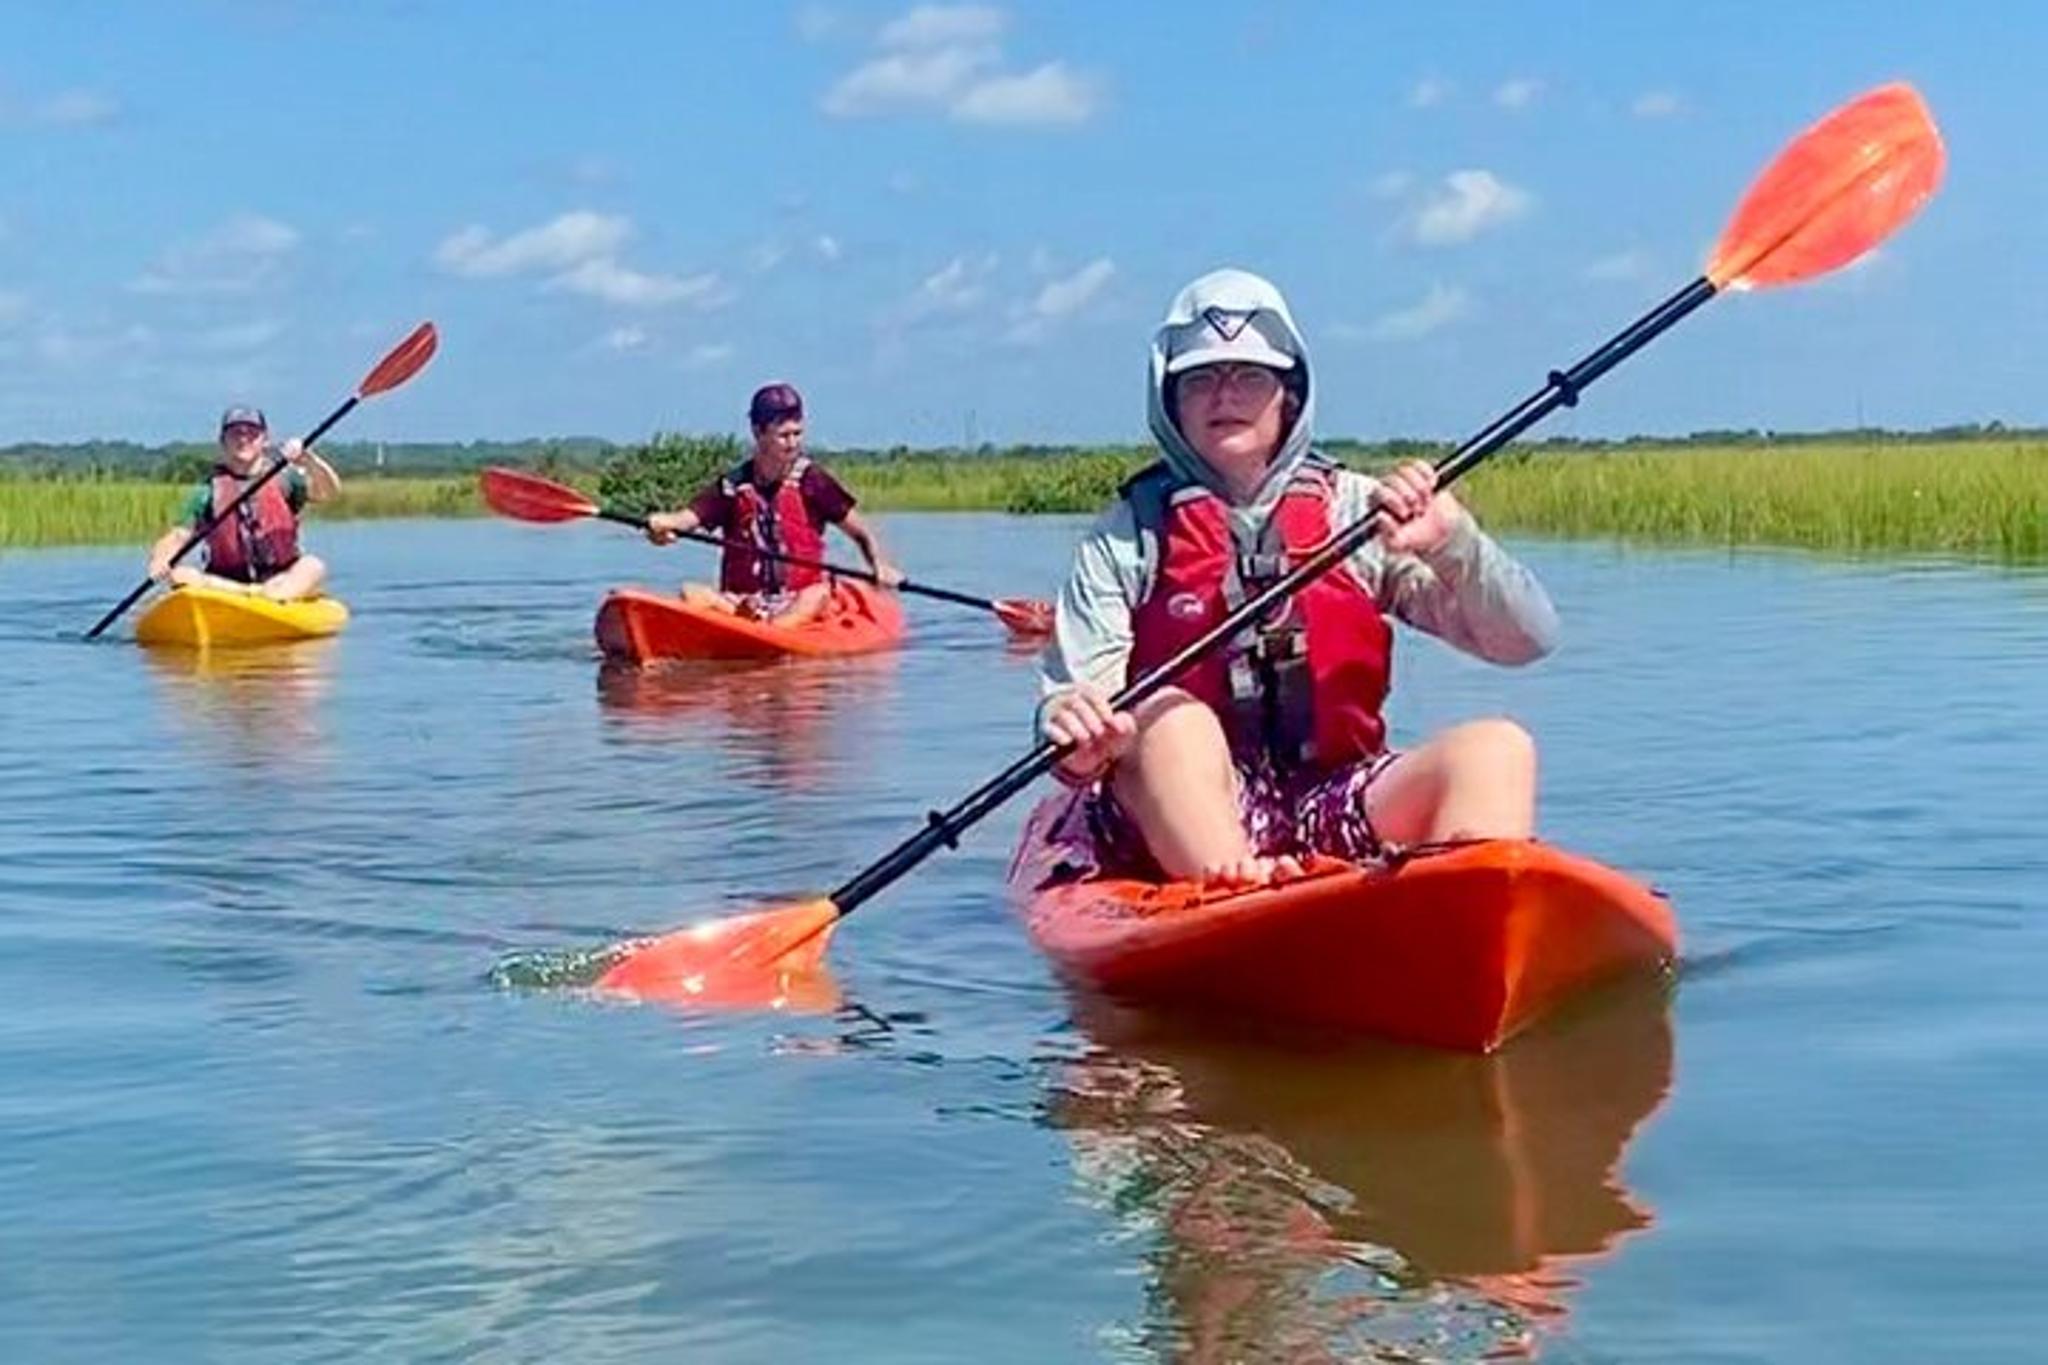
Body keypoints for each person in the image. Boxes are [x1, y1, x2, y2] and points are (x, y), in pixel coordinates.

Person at [1034, 268, 1559, 889]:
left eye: (1250, 376)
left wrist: (1454, 545)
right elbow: (1074, 704)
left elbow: (1528, 639)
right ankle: (1236, 889)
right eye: (1201, 378)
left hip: (1332, 799)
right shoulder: (1128, 536)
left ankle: (1463, 905)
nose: (1225, 394)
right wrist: (1074, 728)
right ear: (1170, 399)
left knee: (1498, 748)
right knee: (1169, 717)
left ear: (1289, 395)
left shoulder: (1358, 514)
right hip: (1174, 817)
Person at [644, 382, 903, 626]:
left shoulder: (813, 481)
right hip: (744, 602)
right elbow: (686, 519)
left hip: (797, 601)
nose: (793, 443)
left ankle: (770, 631)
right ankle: (752, 625)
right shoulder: (733, 486)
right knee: (690, 592)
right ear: (758, 432)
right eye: (783, 435)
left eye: (797, 433)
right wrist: (663, 525)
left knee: (820, 594)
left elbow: (861, 533)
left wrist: (879, 564)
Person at [146, 405, 341, 602]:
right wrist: (160, 559)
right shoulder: (207, 491)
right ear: (223, 441)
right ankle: (256, 595)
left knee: (313, 566)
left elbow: (328, 492)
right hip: (226, 583)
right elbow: (179, 534)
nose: (243, 439)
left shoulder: (286, 478)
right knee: (181, 574)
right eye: (235, 433)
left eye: (252, 433)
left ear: (265, 439)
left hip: (282, 579)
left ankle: (272, 595)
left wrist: (309, 460)